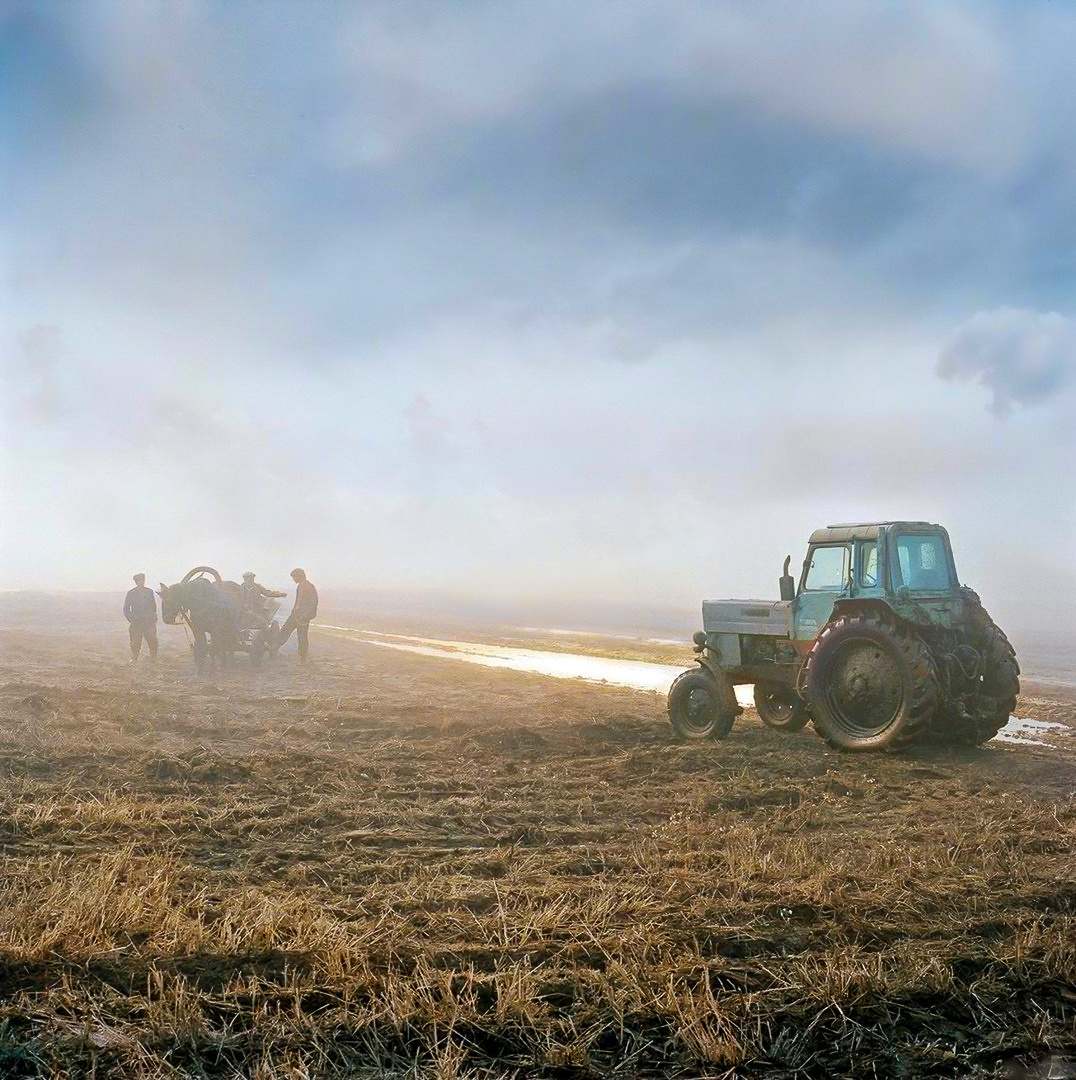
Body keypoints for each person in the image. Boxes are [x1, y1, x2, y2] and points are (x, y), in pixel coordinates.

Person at [275, 568, 318, 661]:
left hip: (303, 617)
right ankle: (274, 650)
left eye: (294, 577)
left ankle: (303, 658)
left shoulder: (309, 586)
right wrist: (293, 611)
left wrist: (306, 616)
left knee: (302, 637)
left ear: (299, 576)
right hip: (295, 615)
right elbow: (298, 601)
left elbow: (313, 603)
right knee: (284, 631)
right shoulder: (300, 586)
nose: (293, 579)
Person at [123, 573, 158, 663]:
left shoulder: (149, 592)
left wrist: (152, 616)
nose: (141, 582)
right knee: (135, 642)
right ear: (136, 582)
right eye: (139, 581)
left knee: (152, 640)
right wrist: (132, 619)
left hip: (148, 621)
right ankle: (134, 658)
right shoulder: (131, 593)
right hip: (136, 622)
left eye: (142, 580)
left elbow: (153, 606)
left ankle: (153, 657)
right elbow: (126, 608)